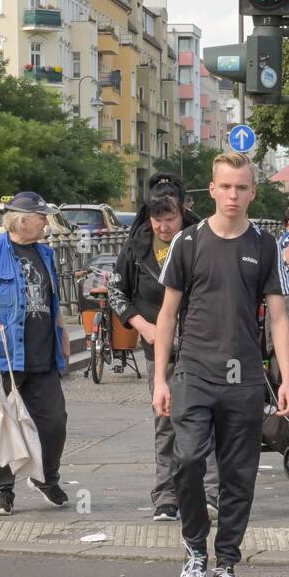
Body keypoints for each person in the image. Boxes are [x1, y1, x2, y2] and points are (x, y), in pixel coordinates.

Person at [153, 152, 289, 577]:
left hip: (246, 380)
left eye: (242, 187)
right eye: (226, 186)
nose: (233, 195)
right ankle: (196, 549)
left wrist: (286, 378)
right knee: (188, 460)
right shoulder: (189, 242)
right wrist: (160, 378)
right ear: (212, 190)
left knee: (239, 477)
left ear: (253, 192)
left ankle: (227, 566)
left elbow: (277, 317)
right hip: (194, 373)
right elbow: (168, 313)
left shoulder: (265, 245)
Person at [109, 173, 219, 522]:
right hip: (158, 348)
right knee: (166, 420)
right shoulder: (137, 245)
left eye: (169, 218)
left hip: (201, 345)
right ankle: (166, 496)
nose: (163, 225)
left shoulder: (203, 237)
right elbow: (116, 292)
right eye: (157, 218)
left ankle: (212, 493)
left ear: (182, 211)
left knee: (206, 421)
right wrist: (143, 326)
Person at [0, 192, 70, 517]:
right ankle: (0, 492)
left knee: (54, 422)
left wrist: (62, 335)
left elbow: (53, 301)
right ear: (22, 220)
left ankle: (46, 478)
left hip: (43, 357)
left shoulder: (46, 254)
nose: (46, 221)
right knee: (0, 425)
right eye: (42, 217)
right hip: (4, 357)